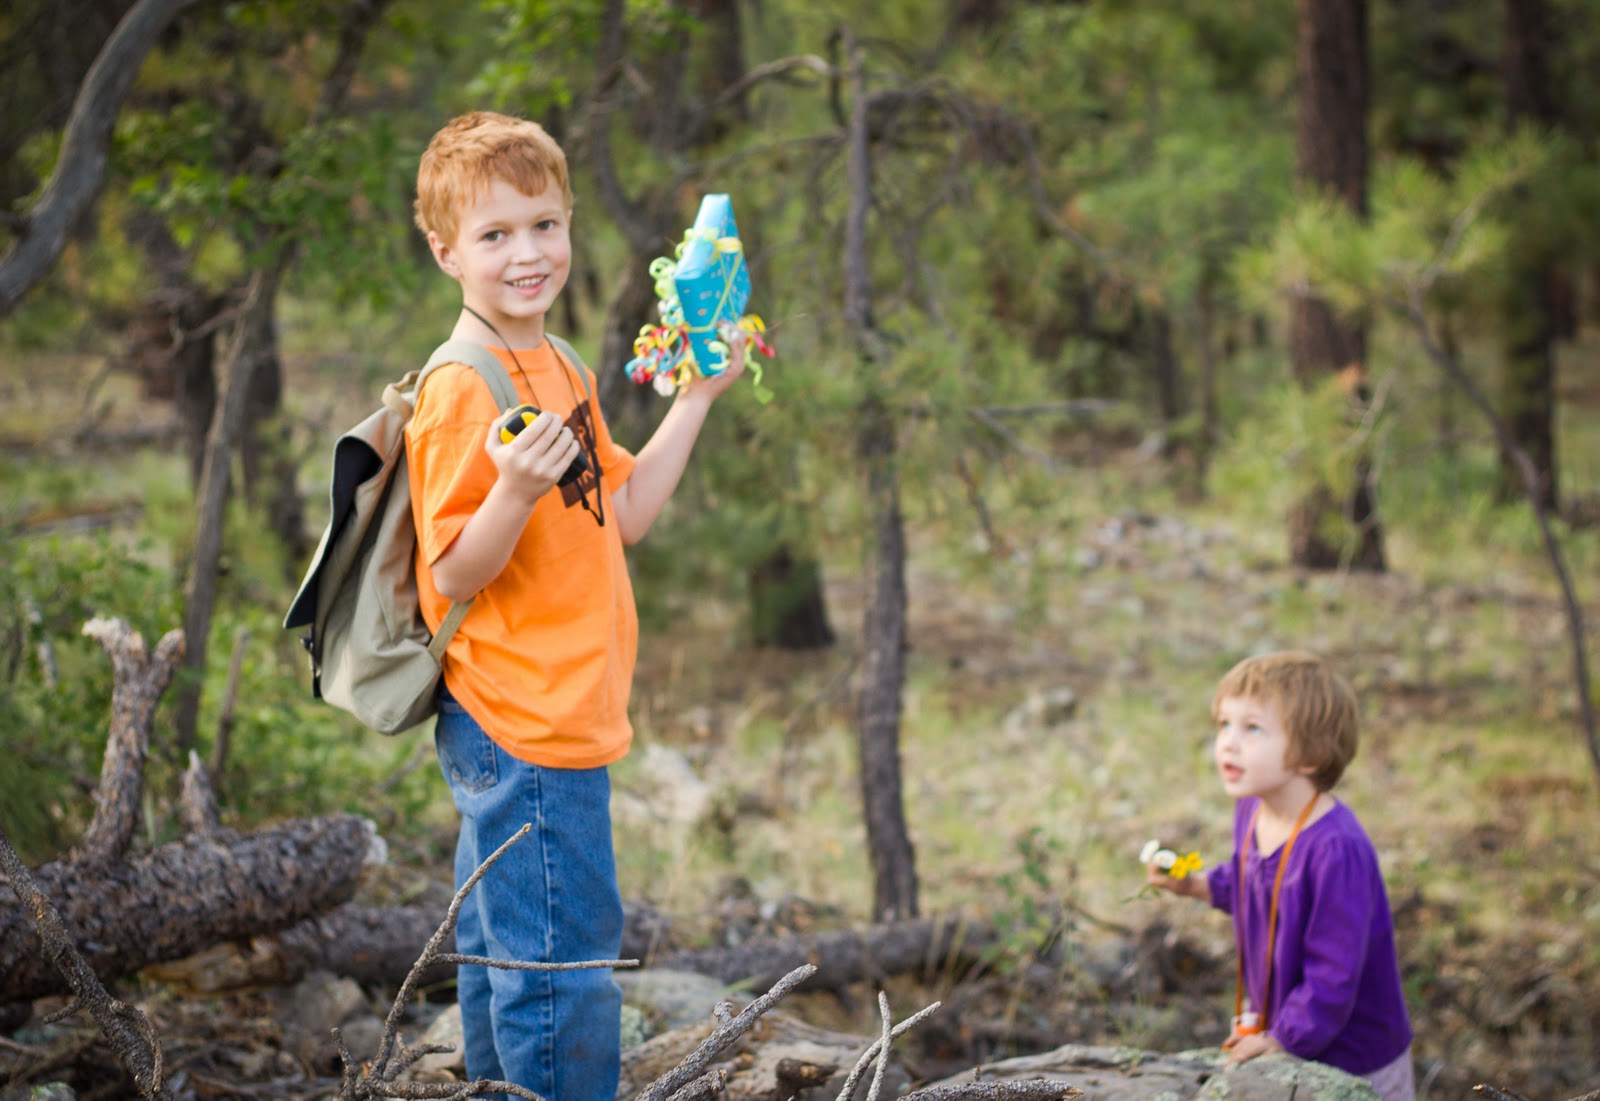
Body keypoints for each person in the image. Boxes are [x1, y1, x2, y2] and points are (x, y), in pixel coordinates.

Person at [405, 110, 749, 1101]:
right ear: (445, 252)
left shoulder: (561, 368)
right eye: (495, 234)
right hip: (522, 715)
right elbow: (453, 574)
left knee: (500, 937)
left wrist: (696, 397)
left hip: (557, 703)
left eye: (545, 225)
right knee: (560, 966)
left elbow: (628, 510)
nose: (528, 253)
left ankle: (484, 1089)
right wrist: (510, 488)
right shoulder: (460, 387)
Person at [1144, 651, 1415, 1101]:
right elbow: (1254, 883)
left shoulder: (1336, 850)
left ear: (1311, 755)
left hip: (1358, 1055)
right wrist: (1198, 884)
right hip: (1293, 1036)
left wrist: (1283, 1039)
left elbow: (1333, 975)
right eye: (1224, 724)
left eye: (1252, 728)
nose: (1228, 743)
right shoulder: (1252, 810)